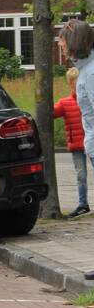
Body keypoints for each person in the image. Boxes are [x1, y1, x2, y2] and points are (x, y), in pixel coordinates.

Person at [59, 20, 94, 217]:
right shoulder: (86, 70)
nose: (59, 44)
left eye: (62, 40)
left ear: (74, 42)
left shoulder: (90, 73)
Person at [54, 68, 89, 217]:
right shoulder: (65, 103)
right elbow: (50, 113)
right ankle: (83, 205)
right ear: (70, 83)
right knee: (81, 175)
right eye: (75, 82)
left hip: (91, 143)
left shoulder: (90, 99)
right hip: (77, 146)